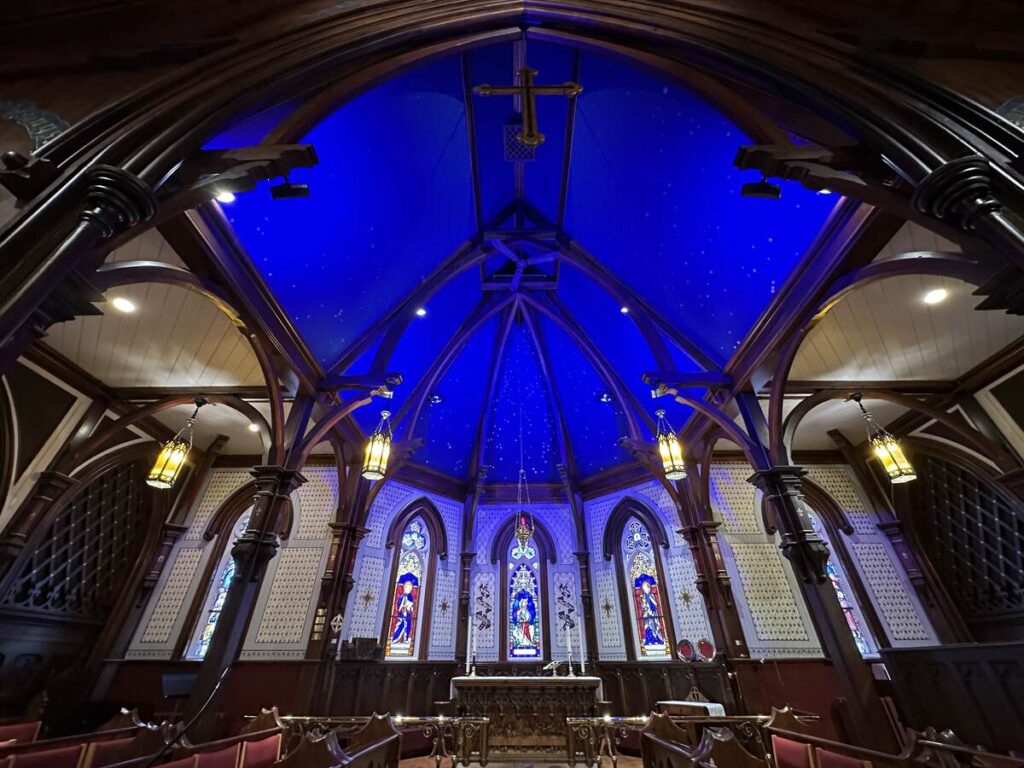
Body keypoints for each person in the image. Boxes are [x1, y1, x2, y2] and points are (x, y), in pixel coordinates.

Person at [391, 578, 415, 644]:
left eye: (411, 588)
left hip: (408, 614)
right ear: (405, 588)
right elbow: (399, 604)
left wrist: (410, 607)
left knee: (408, 625)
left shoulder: (410, 596)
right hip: (402, 614)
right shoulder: (402, 596)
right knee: (400, 625)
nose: (410, 589)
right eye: (408, 588)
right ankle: (396, 639)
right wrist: (403, 607)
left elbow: (412, 605)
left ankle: (405, 638)